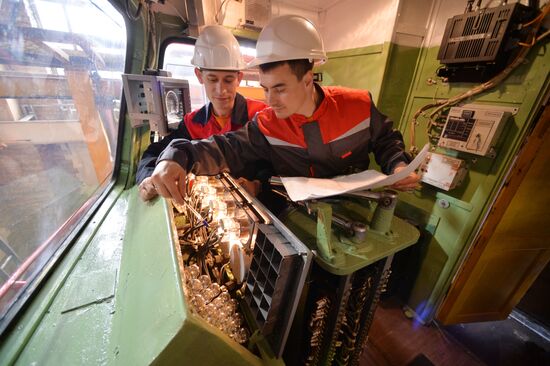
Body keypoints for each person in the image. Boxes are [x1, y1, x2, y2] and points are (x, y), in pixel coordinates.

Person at [150, 15, 420, 205]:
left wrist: (398, 165)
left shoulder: (357, 105)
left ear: (307, 79)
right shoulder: (267, 125)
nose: (270, 100)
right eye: (265, 89)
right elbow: (225, 147)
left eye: (279, 88)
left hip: (359, 207)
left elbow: (386, 139)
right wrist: (178, 155)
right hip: (297, 214)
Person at [136, 25, 268, 201]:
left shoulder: (259, 115)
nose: (221, 90)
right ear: (199, 76)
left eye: (228, 80)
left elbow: (277, 164)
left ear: (239, 78)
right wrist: (149, 178)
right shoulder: (192, 123)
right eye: (212, 79)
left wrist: (258, 185)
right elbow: (153, 153)